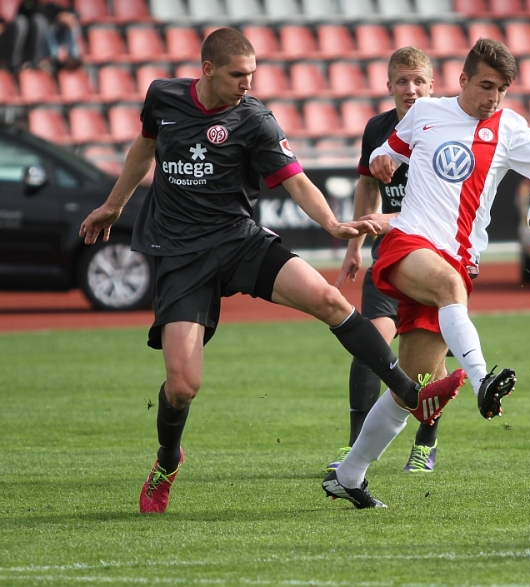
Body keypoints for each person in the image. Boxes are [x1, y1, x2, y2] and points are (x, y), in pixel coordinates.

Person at [78, 28, 464, 514]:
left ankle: (409, 393)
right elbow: (143, 148)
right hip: (180, 255)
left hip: (238, 241)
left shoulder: (255, 119)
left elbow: (296, 182)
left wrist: (332, 225)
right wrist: (115, 204)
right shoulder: (163, 97)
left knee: (330, 300)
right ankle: (168, 460)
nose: (248, 83)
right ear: (208, 70)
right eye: (238, 75)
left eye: (253, 74)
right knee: (181, 387)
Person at [321, 38, 530, 508]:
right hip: (409, 242)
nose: (492, 98)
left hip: (457, 260)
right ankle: (482, 382)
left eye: (501, 89)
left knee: (412, 387)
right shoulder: (425, 113)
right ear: (462, 80)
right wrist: (382, 158)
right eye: (484, 86)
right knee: (447, 287)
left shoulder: (510, 128)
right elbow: (388, 154)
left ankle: (349, 475)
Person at [327, 46, 446, 474]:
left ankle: (426, 443)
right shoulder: (377, 128)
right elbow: (366, 184)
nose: (410, 89)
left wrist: (390, 219)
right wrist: (355, 246)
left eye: (418, 81)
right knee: (370, 347)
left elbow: (443, 207)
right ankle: (354, 445)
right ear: (389, 85)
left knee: (427, 365)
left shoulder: (444, 130)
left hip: (435, 261)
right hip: (389, 258)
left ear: (432, 85)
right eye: (402, 81)